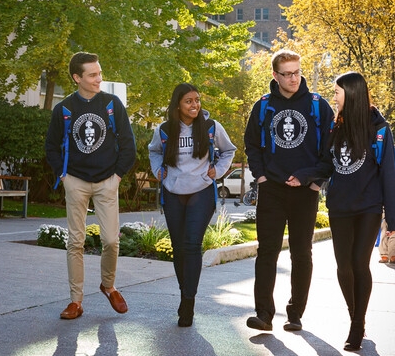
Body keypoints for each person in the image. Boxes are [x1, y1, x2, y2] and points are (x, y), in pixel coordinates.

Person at [287, 72, 395, 351]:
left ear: (350, 93)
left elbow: (388, 175)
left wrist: (393, 219)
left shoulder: (380, 130)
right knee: (343, 267)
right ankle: (355, 314)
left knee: (359, 265)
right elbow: (327, 164)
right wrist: (304, 176)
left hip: (368, 208)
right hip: (340, 207)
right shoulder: (336, 127)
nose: (333, 96)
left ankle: (357, 325)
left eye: (337, 91)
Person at [244, 49, 334, 333]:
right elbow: (252, 145)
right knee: (267, 252)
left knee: (301, 253)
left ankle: (295, 313)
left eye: (297, 72)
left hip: (306, 191)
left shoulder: (319, 106)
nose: (294, 78)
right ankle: (264, 314)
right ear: (275, 75)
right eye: (287, 74)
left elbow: (330, 151)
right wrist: (260, 177)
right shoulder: (263, 107)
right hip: (272, 190)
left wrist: (314, 180)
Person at [45, 52, 136, 319]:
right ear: (77, 78)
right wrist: (64, 178)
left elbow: (128, 145)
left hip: (107, 182)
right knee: (76, 242)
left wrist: (117, 177)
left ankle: (108, 286)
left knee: (110, 240)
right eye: (92, 75)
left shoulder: (112, 104)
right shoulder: (64, 108)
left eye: (99, 73)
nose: (99, 79)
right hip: (76, 182)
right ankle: (76, 301)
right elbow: (51, 147)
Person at [148, 83, 236, 327]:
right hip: (173, 192)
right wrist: (158, 171)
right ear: (178, 104)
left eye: (197, 100)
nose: (195, 105)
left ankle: (188, 301)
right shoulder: (164, 129)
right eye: (189, 101)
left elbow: (229, 150)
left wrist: (216, 171)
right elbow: (154, 151)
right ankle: (183, 292)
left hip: (201, 191)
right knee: (178, 248)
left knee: (191, 244)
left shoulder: (210, 127)